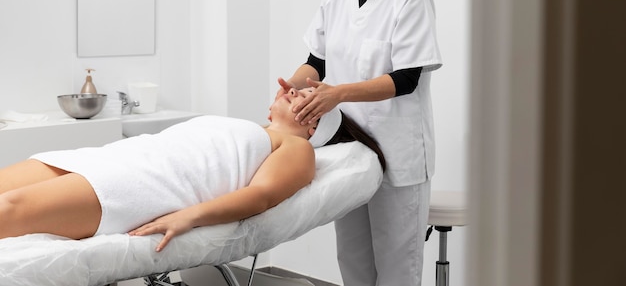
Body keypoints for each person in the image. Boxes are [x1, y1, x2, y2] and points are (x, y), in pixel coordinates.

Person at [276, 0, 442, 286]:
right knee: (352, 260)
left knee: (398, 265)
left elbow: (406, 79)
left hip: (398, 151)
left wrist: (337, 94)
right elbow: (315, 61)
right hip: (348, 147)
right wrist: (294, 86)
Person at [0, 87, 383, 252]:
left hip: (140, 184)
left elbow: (262, 196)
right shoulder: (250, 128)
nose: (293, 89)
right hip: (118, 156)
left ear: (313, 124)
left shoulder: (297, 148)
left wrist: (190, 217)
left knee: (10, 209)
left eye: (303, 97)